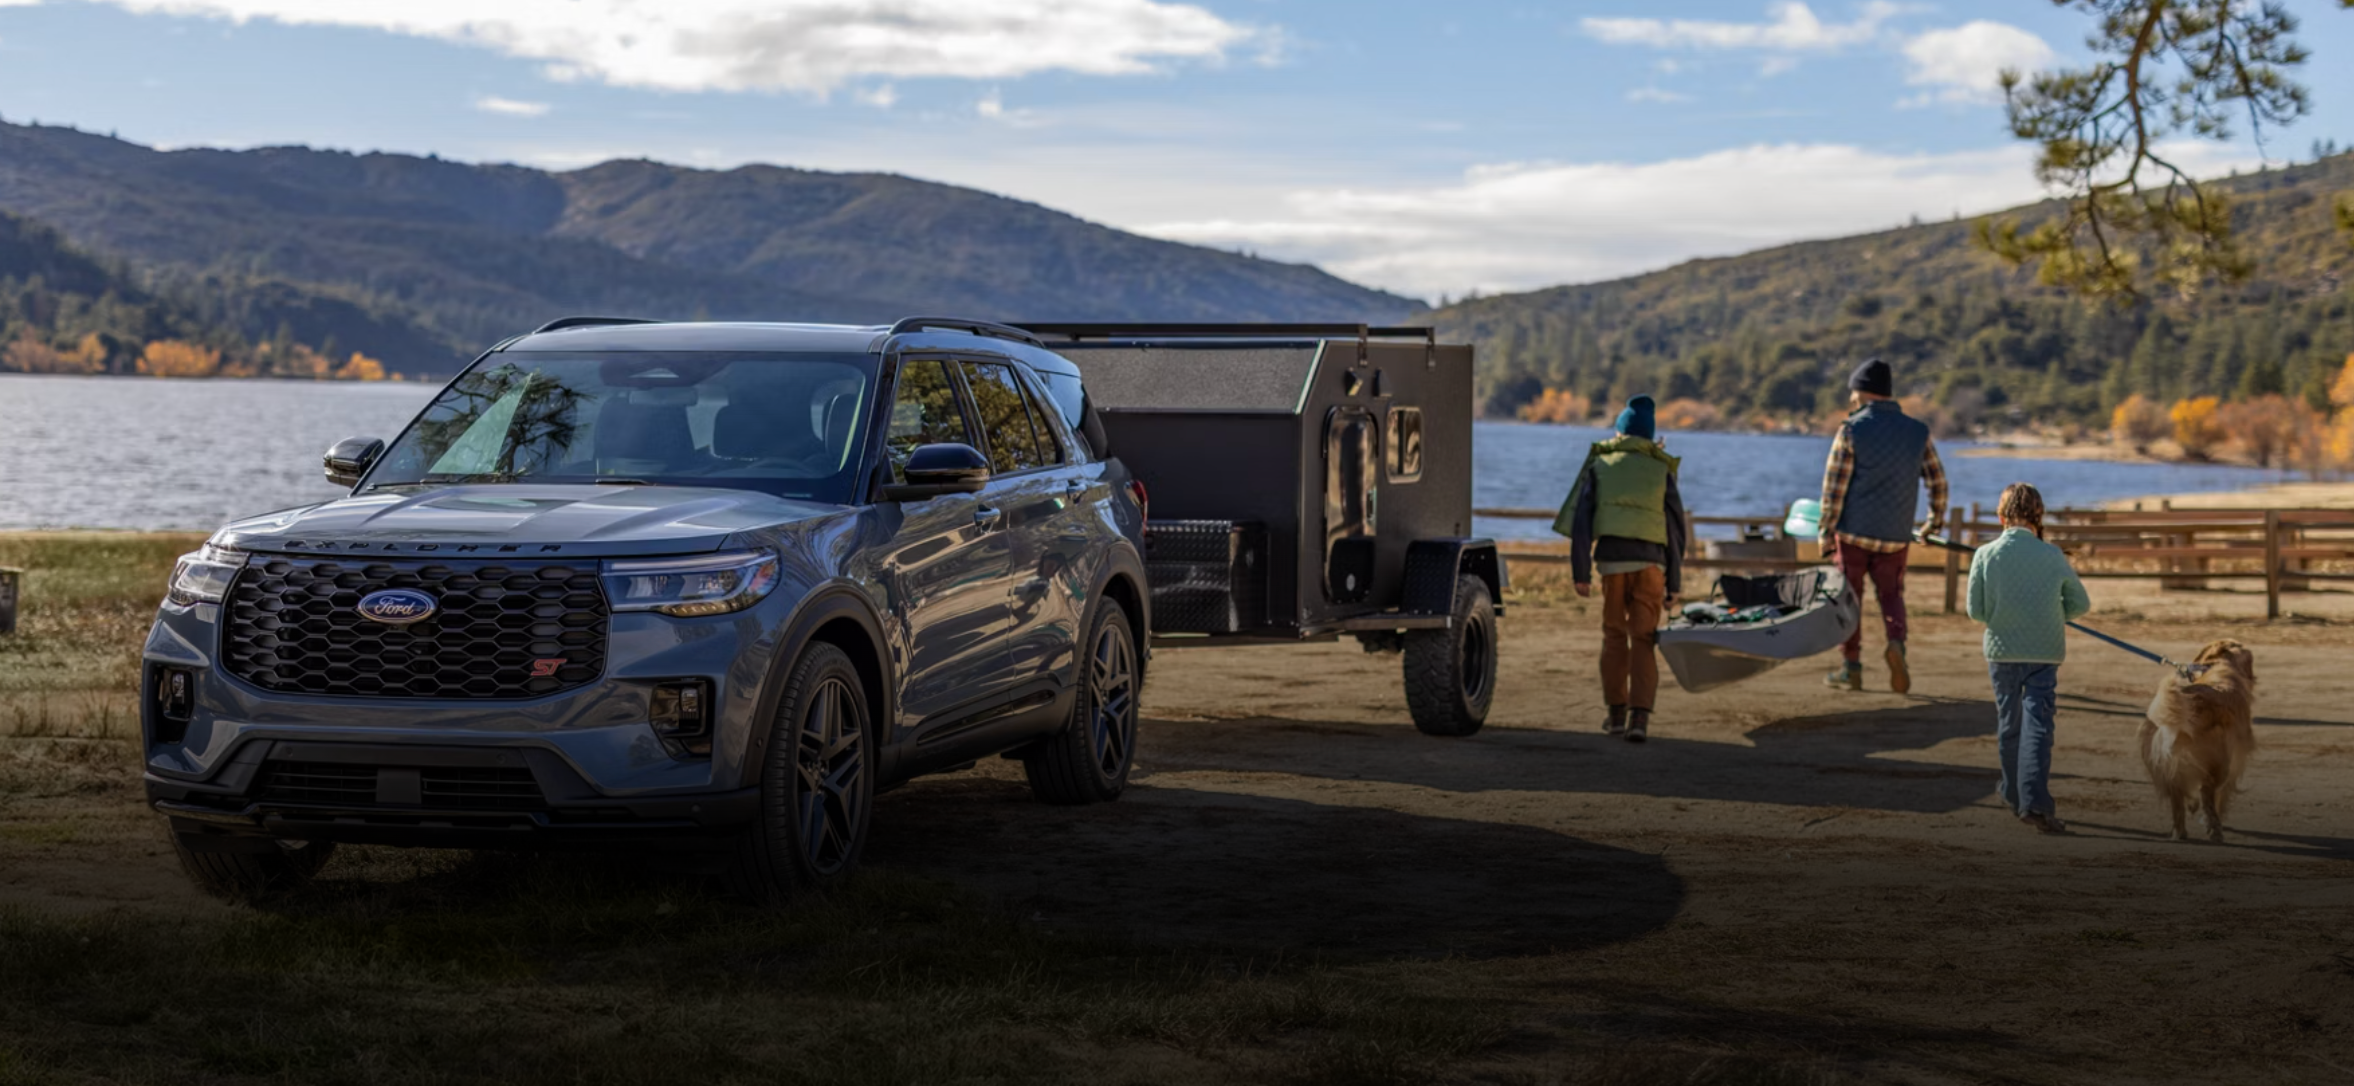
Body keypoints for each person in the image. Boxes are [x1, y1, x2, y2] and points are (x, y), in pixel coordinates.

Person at [1556, 394, 1688, 743]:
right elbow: (1675, 530)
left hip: (1612, 564)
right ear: (1649, 435)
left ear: (1620, 432)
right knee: (1643, 640)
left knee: (1614, 637)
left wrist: (1580, 572)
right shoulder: (1661, 469)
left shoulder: (1601, 465)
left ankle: (1615, 715)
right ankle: (1639, 720)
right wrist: (1674, 581)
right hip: (1651, 565)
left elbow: (1582, 521)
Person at [1966, 483, 2091, 834]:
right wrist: (2053, 612)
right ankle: (2033, 801)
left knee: (2010, 723)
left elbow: (1975, 611)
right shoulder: (2052, 556)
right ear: (2039, 517)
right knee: (2038, 725)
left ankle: (2010, 791)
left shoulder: (1986, 554)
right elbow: (2081, 604)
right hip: (2044, 651)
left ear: (2001, 516)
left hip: (2002, 651)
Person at [1816, 358, 1947, 693]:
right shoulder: (1918, 432)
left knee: (1849, 600)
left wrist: (1825, 532)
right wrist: (1933, 522)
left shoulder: (1851, 429)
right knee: (1891, 595)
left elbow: (1833, 489)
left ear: (1861, 393)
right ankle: (1897, 645)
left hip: (1853, 535)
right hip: (1895, 536)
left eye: (1852, 393)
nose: (1850, 400)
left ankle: (1852, 667)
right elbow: (1938, 481)